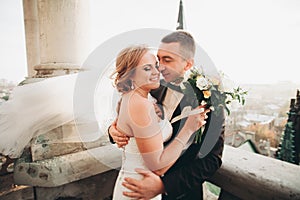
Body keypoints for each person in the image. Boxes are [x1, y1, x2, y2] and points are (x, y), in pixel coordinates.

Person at [109, 31, 225, 200]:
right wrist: (113, 130)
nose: (160, 67)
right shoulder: (150, 85)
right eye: (159, 59)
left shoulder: (209, 100)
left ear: (187, 64)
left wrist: (164, 186)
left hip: (180, 194)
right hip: (135, 186)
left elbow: (212, 160)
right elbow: (129, 120)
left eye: (167, 60)